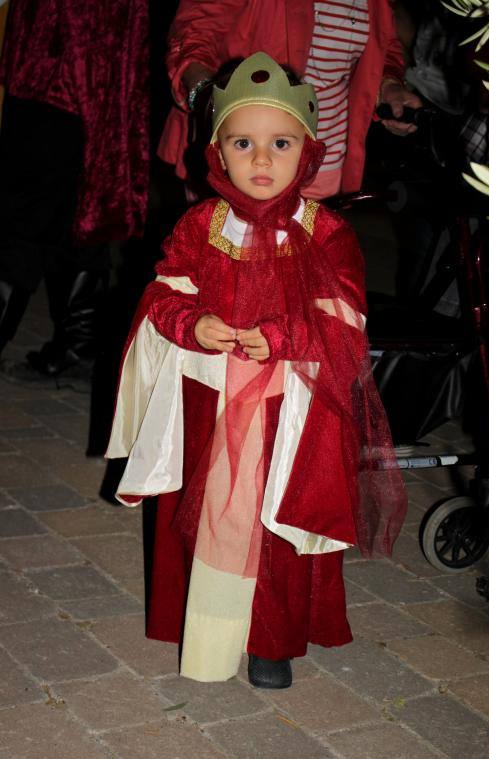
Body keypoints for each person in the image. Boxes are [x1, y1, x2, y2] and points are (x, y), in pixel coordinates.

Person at [107, 53, 406, 688]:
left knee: (270, 522)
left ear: (309, 152)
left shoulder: (326, 235)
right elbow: (162, 295)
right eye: (244, 143)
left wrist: (280, 336)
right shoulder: (200, 226)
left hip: (286, 412)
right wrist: (192, 323)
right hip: (209, 405)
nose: (263, 161)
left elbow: (345, 326)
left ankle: (271, 638)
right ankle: (210, 635)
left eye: (280, 143)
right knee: (211, 513)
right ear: (217, 151)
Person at [0, 0, 149, 378]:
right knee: (80, 208)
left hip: (56, 76)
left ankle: (78, 346)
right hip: (90, 80)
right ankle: (78, 347)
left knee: (25, 217)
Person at [158, 0, 421, 199]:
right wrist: (207, 96)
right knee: (228, 263)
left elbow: (384, 45)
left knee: (304, 265)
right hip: (244, 160)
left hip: (326, 159)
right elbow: (194, 32)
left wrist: (388, 84)